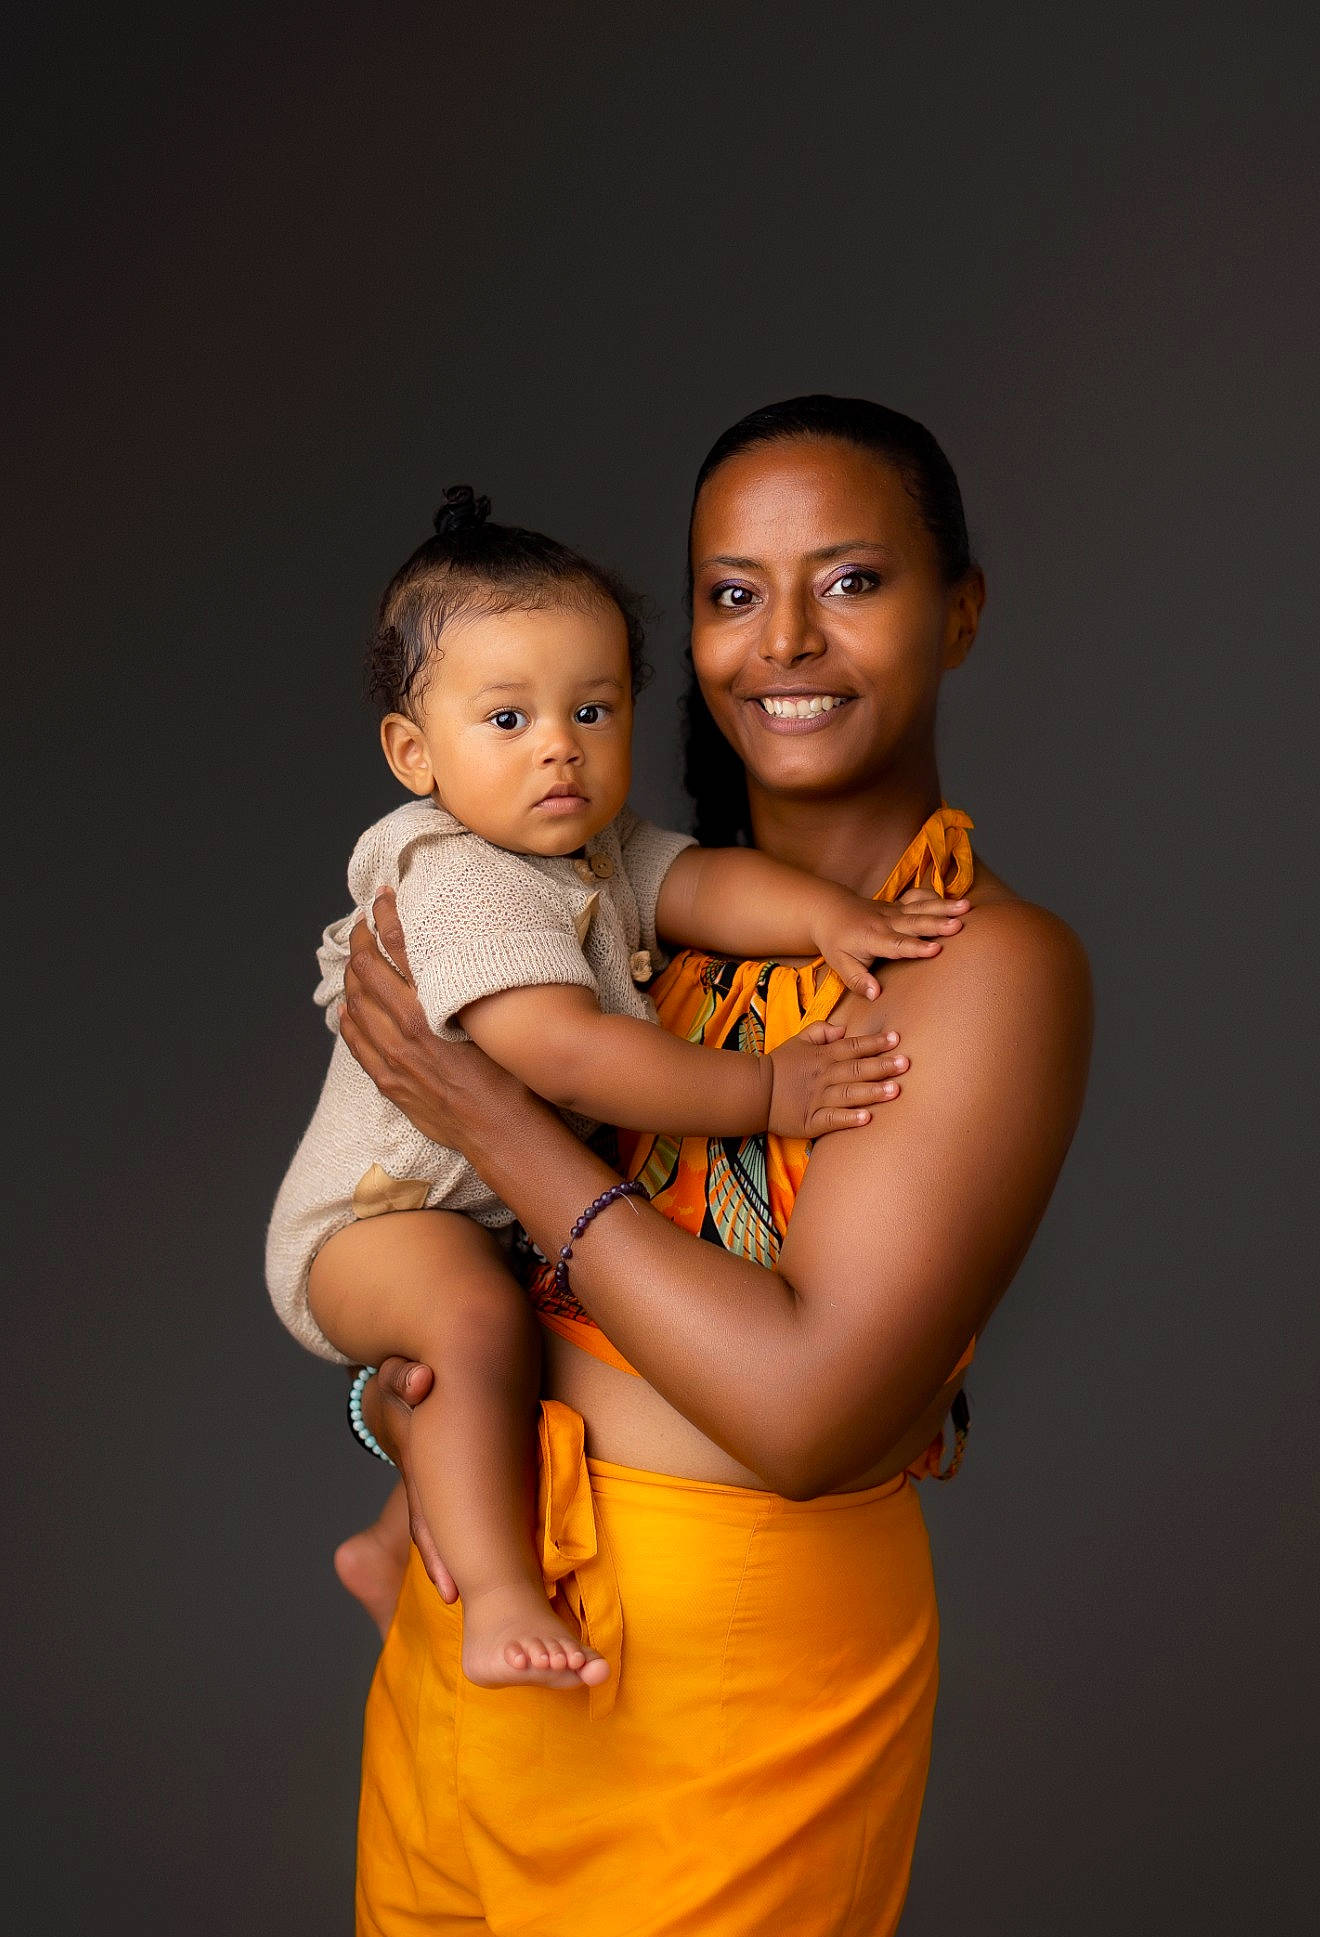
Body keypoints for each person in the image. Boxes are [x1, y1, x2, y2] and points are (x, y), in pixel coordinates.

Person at [333, 396, 1093, 1937]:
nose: (787, 640)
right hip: (486, 1626)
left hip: (734, 1689)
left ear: (960, 606)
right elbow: (446, 1261)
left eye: (853, 581)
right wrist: (398, 1398)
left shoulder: (990, 968)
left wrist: (497, 1122)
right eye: (734, 593)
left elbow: (806, 1410)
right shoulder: (597, 915)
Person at [267, 484, 972, 1691]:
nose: (560, 745)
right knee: (479, 1322)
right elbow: (566, 1055)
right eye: (508, 717)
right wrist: (765, 1092)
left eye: (592, 709)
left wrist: (834, 918)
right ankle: (490, 1593)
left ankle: (388, 1543)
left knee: (485, 1330)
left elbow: (706, 887)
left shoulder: (590, 849)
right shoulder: (455, 873)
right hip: (374, 1219)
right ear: (412, 752)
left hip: (481, 1224)